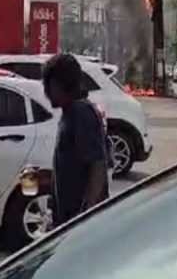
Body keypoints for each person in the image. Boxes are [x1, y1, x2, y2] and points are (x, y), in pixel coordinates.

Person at [42, 53, 110, 226]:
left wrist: (85, 217)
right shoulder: (70, 113)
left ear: (59, 85)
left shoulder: (81, 113)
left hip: (81, 225)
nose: (46, 93)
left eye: (48, 86)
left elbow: (98, 166)